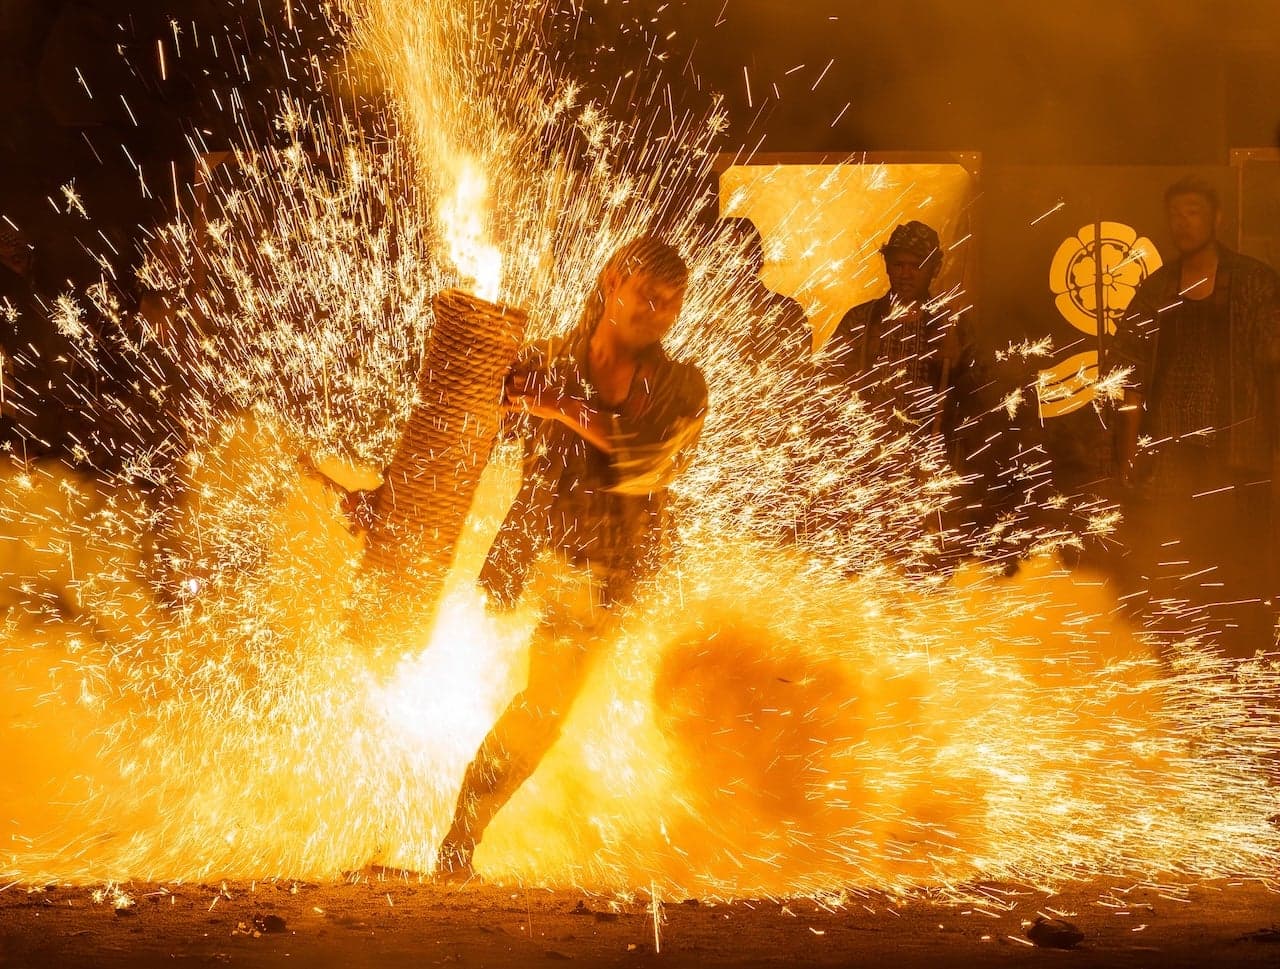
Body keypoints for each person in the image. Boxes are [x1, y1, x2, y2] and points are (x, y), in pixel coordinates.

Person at [437, 236, 708, 877]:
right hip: (541, 561)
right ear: (613, 280)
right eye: (649, 296)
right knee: (544, 706)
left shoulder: (680, 386)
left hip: (618, 573)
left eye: (673, 305)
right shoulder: (547, 362)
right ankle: (460, 839)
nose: (660, 314)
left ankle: (472, 838)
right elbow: (465, 426)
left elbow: (646, 461)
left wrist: (553, 402)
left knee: (558, 710)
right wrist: (479, 373)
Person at [1109, 175, 1280, 656]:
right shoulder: (1157, 290)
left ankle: (1240, 670)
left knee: (1237, 572)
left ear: (1216, 219)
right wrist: (1127, 454)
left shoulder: (1253, 283)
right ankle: (1180, 669)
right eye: (1175, 213)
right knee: (1174, 569)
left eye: (1193, 212)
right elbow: (1130, 378)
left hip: (1238, 461)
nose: (1182, 224)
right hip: (1172, 461)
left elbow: (1274, 368)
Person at [823, 220, 971, 436]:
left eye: (916, 266)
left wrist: (958, 364)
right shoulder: (861, 319)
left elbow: (982, 396)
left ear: (935, 268)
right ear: (887, 265)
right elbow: (827, 378)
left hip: (929, 453)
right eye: (898, 264)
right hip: (866, 452)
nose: (905, 274)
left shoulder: (952, 325)